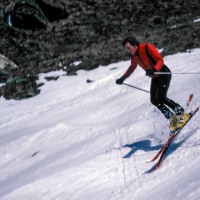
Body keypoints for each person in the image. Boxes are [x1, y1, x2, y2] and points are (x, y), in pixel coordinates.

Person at [116, 36, 190, 134]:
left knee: (162, 97)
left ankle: (181, 114)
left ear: (135, 45)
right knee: (154, 100)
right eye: (126, 50)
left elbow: (160, 60)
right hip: (155, 77)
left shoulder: (147, 47)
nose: (128, 51)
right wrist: (123, 78)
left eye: (129, 48)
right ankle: (173, 119)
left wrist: (154, 69)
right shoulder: (134, 56)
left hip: (163, 72)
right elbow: (132, 67)